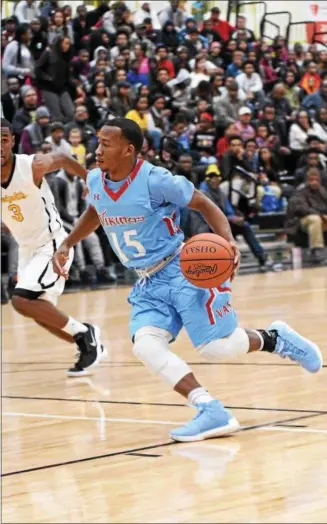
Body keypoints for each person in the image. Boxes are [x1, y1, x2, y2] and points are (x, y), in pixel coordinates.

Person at [52, 118, 322, 442]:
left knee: (215, 349)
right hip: (147, 283)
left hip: (182, 269)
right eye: (97, 142)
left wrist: (228, 240)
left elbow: (203, 203)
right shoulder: (96, 180)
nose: (97, 150)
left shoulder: (156, 180)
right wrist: (68, 242)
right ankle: (210, 410)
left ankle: (276, 338)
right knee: (146, 345)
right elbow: (97, 210)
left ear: (128, 150)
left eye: (105, 144)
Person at [1, 118, 106, 376]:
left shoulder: (31, 165)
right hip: (26, 248)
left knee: (21, 300)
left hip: (53, 244)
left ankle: (85, 333)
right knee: (38, 311)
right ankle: (87, 341)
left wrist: (91, 181)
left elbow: (61, 158)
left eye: (4, 140)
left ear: (13, 141)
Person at [286, 168, 327, 264]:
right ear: (307, 180)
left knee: (318, 219)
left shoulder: (323, 191)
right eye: (311, 180)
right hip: (301, 221)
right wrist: (321, 215)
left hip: (323, 218)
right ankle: (316, 250)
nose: (314, 182)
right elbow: (303, 209)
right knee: (315, 219)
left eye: (316, 180)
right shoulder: (300, 192)